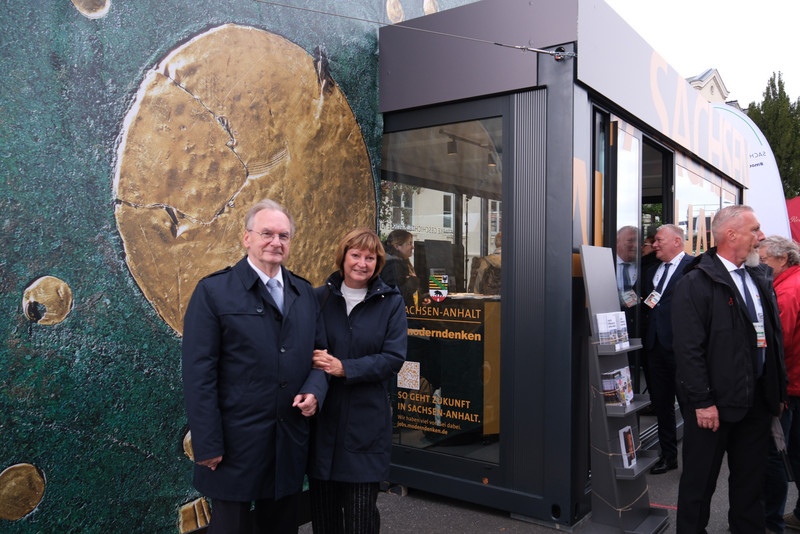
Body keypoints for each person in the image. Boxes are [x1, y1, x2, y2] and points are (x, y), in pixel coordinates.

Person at [181, 199, 328, 534]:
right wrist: (207, 443)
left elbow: (321, 356)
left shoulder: (304, 293)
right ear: (247, 238)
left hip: (288, 438)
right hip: (234, 443)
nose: (276, 242)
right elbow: (198, 374)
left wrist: (315, 390)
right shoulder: (213, 291)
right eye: (267, 234)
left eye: (284, 235)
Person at [672, 205, 787, 533]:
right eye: (755, 229)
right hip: (713, 408)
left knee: (751, 488)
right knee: (699, 487)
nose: (761, 237)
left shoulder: (758, 277)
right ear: (730, 235)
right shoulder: (695, 283)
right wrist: (702, 401)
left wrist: (776, 391)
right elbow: (688, 350)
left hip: (757, 405)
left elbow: (773, 339)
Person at [308, 227, 407, 533]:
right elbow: (304, 347)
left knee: (360, 518)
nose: (362, 263)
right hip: (323, 422)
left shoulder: (390, 302)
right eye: (356, 255)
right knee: (324, 519)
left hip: (366, 423)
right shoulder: (318, 298)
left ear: (378, 263)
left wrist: (344, 368)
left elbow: (393, 358)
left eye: (370, 257)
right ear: (343, 257)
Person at [640, 224, 693, 474]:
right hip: (655, 347)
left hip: (683, 349)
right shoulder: (651, 270)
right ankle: (668, 456)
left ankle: (696, 461)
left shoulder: (695, 267)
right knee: (661, 406)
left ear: (676, 241)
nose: (654, 244)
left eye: (659, 240)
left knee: (689, 407)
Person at [760, 236, 800, 533]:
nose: (759, 266)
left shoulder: (785, 291)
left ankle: (769, 522)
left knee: (776, 456)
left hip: (789, 388)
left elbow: (778, 345)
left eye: (763, 260)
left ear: (783, 259)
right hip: (796, 384)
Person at [382, 229, 419, 306]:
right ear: (397, 246)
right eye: (409, 243)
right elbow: (396, 294)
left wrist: (422, 298)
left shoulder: (402, 262)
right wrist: (413, 282)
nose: (413, 247)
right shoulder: (391, 265)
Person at [616, 225, 639, 306]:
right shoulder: (607, 264)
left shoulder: (644, 268)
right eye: (631, 240)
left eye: (638, 241)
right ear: (617, 242)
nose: (636, 245)